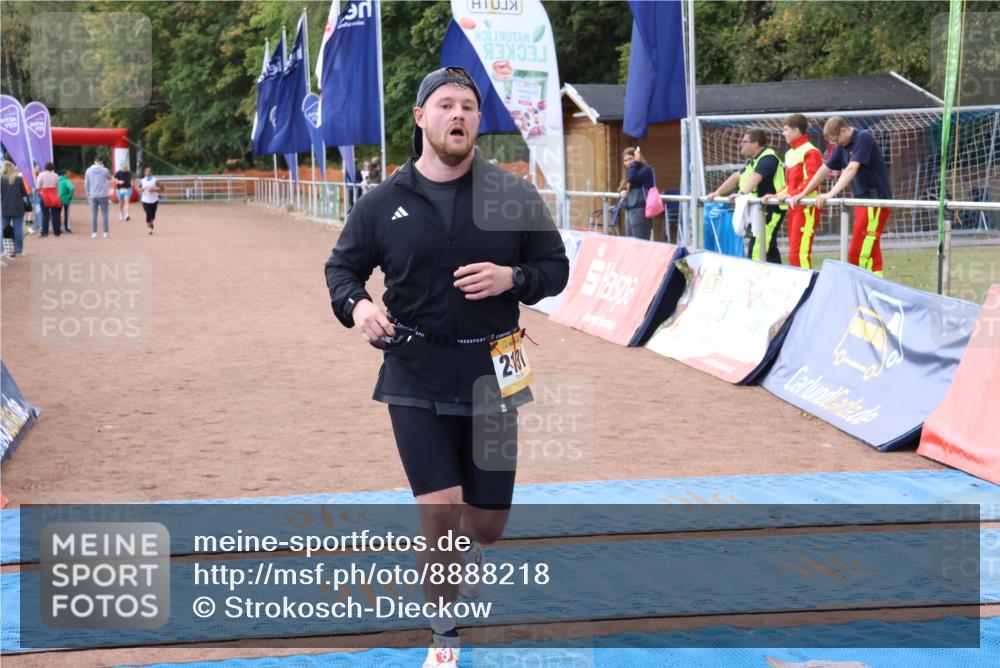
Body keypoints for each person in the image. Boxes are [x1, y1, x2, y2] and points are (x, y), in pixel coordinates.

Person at [325, 66, 568, 668]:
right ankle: (443, 635)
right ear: (420, 118)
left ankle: (475, 546)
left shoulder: (512, 194)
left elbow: (555, 269)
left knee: (483, 524)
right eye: (445, 105)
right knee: (440, 510)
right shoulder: (383, 201)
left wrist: (513, 277)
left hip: (494, 373)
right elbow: (341, 270)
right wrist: (358, 309)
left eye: (468, 106)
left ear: (478, 121)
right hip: (414, 370)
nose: (457, 114)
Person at [790, 116, 893, 276]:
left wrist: (830, 194)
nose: (836, 144)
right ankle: (875, 287)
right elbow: (825, 169)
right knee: (871, 249)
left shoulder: (863, 138)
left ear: (843, 130)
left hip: (874, 202)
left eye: (836, 140)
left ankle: (857, 288)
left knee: (856, 253)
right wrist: (803, 192)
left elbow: (851, 169)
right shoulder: (841, 146)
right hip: (862, 202)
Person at [707, 128, 785, 263]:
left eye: (744, 142)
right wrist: (718, 192)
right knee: (769, 249)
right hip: (761, 211)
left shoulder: (768, 157)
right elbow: (737, 176)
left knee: (757, 250)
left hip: (771, 210)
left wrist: (742, 194)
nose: (741, 144)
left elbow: (756, 176)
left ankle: (755, 282)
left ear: (755, 144)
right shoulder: (753, 161)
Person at [763, 114, 823, 268]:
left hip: (807, 207)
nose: (783, 133)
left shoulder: (811, 151)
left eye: (786, 130)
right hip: (795, 206)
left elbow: (812, 179)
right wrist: (777, 195)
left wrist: (791, 194)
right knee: (794, 253)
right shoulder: (790, 153)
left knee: (799, 253)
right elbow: (791, 184)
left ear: (796, 131)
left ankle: (808, 289)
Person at [619, 147, 656, 239]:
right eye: (625, 160)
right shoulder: (631, 171)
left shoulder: (646, 169)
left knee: (640, 242)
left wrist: (636, 162)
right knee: (631, 242)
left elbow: (632, 179)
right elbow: (626, 185)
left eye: (631, 159)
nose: (628, 163)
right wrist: (622, 191)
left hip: (641, 210)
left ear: (637, 157)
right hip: (630, 210)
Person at [1, 160, 29, 256]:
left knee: (4, 228)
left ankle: (5, 249)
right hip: (18, 207)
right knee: (18, 229)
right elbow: (24, 193)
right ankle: (19, 249)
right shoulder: (18, 179)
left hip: (5, 207)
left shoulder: (1, 179)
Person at [85, 156, 113, 238]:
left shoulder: (88, 170)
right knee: (105, 214)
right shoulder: (105, 170)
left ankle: (94, 233)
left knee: (94, 214)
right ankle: (105, 233)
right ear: (102, 161)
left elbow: (86, 183)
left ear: (94, 161)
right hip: (103, 194)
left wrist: (88, 193)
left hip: (93, 195)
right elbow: (110, 178)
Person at [36, 162, 62, 237]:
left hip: (45, 194)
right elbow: (57, 187)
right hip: (54, 194)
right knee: (56, 214)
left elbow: (38, 186)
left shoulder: (41, 174)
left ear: (45, 167)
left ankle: (45, 232)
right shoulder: (56, 175)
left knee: (45, 214)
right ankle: (57, 232)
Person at [137, 167, 159, 234]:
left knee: (153, 215)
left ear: (151, 173)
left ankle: (151, 222)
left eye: (149, 172)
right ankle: (149, 229)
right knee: (148, 214)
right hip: (145, 200)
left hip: (154, 200)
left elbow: (162, 188)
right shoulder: (142, 180)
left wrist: (154, 190)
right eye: (146, 172)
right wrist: (140, 189)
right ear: (145, 173)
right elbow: (138, 188)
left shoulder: (155, 180)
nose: (148, 173)